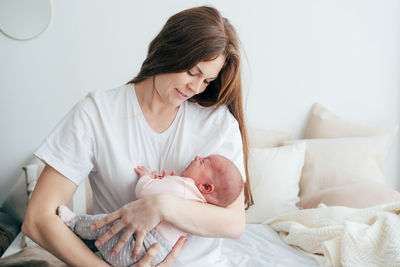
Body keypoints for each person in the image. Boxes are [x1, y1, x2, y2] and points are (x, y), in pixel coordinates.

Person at [22, 5, 253, 267]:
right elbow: (38, 218)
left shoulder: (217, 122)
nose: (196, 87)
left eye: (207, 81)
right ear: (167, 50)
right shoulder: (97, 113)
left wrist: (161, 206)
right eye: (192, 72)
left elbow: (234, 224)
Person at [57, 154, 244, 266]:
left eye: (204, 162)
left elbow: (144, 192)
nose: (196, 157)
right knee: (106, 246)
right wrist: (164, 183)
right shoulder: (197, 206)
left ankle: (72, 222)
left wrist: (147, 179)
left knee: (107, 223)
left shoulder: (183, 187)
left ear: (205, 187)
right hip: (154, 255)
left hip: (142, 243)